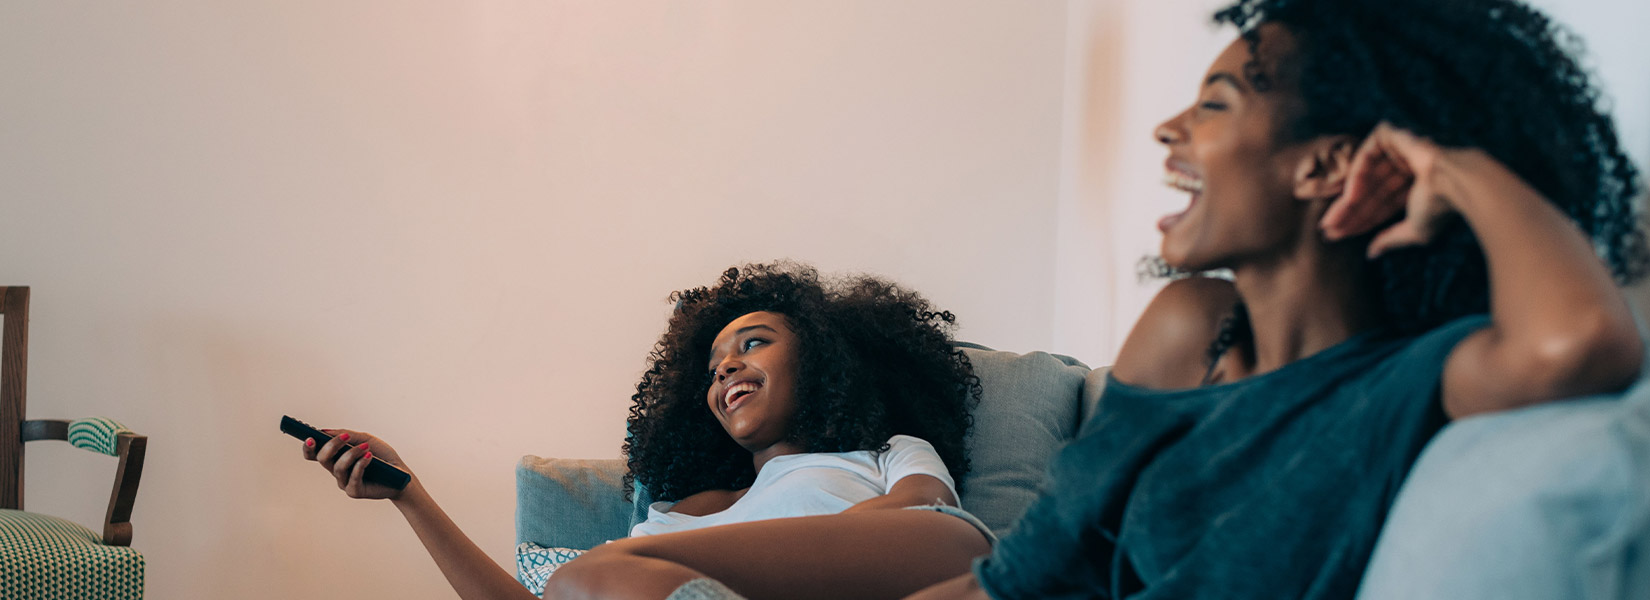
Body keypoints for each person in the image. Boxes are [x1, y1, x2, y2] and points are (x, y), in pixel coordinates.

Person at [907, 0, 1648, 597]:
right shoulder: (1190, 324)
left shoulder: (1410, 380)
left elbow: (1583, 340)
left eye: (1216, 106)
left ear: (1325, 164)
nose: (1169, 129)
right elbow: (1029, 572)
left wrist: (1451, 168)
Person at [299, 262, 988, 600]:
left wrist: (640, 569)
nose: (727, 371)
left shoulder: (882, 454)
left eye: (752, 345)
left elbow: (933, 520)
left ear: (822, 358)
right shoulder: (678, 514)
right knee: (592, 579)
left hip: (917, 554)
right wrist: (409, 493)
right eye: (715, 368)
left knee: (595, 575)